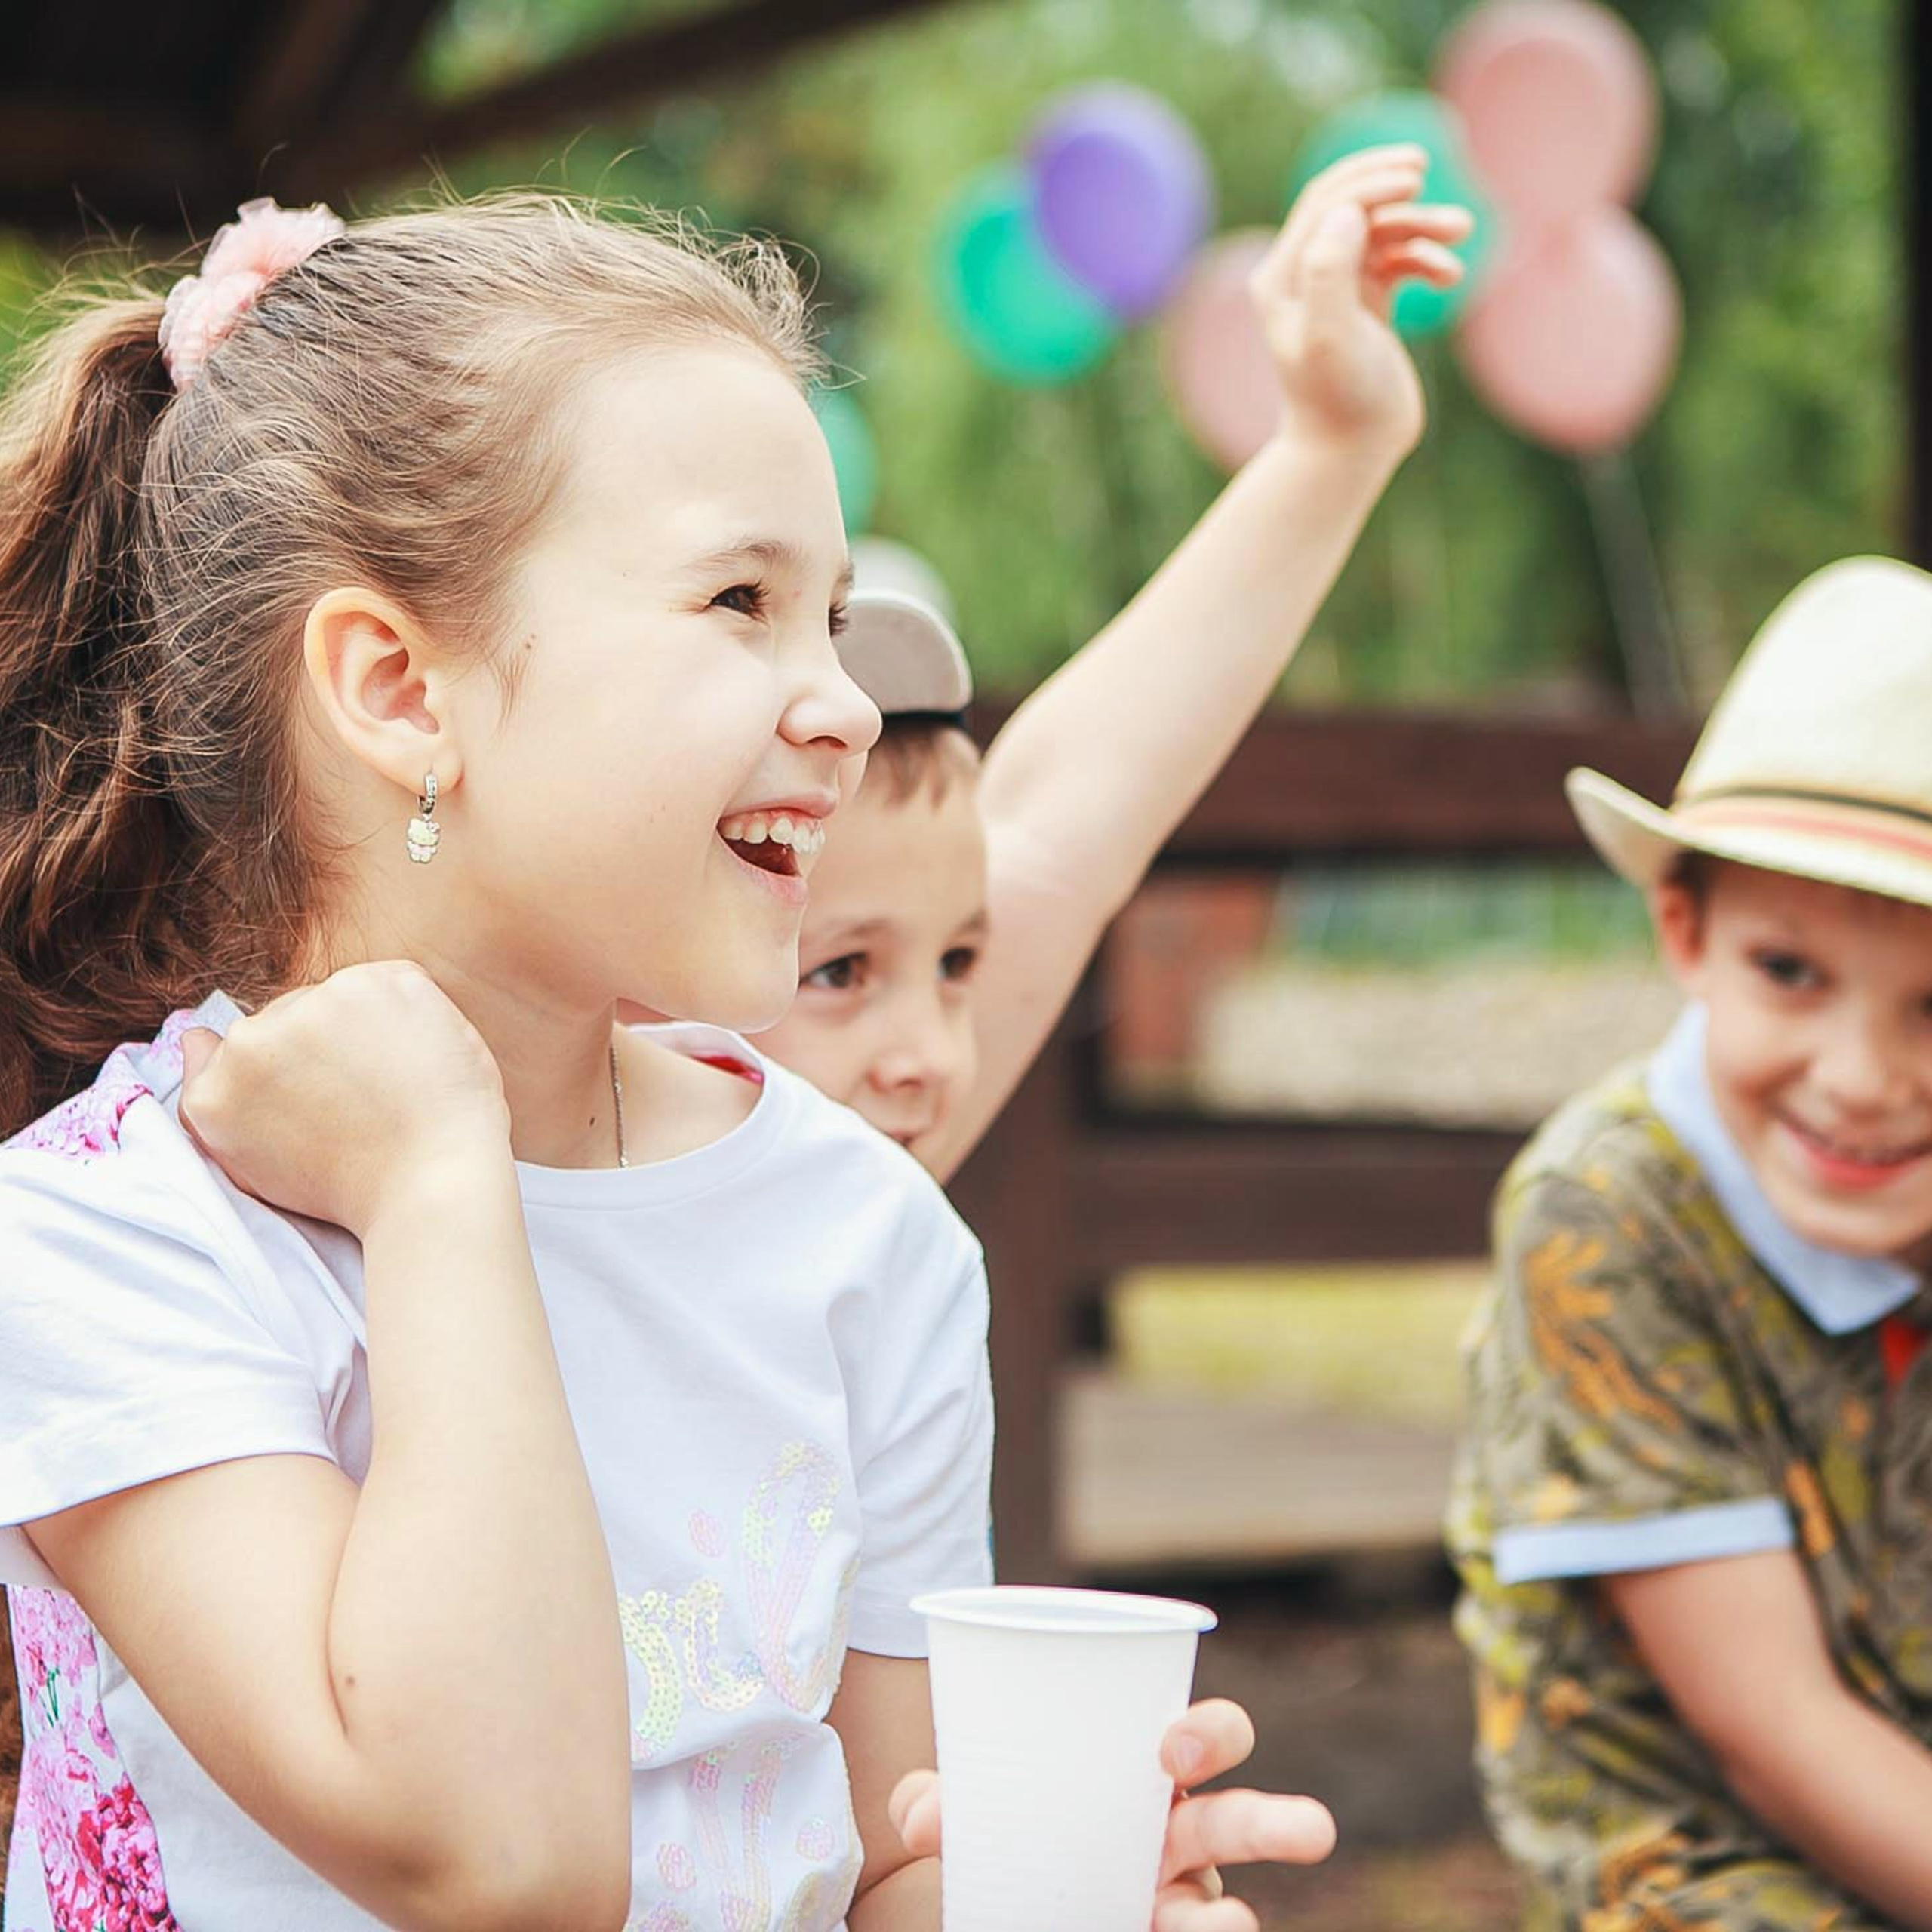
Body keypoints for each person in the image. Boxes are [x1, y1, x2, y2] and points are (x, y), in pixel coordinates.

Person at [0, 194, 1331, 1932]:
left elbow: (874, 1863)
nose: (844, 702)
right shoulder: (114, 1238)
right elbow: (501, 1857)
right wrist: (434, 1179)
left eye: (830, 616)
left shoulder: (862, 1234)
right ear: (399, 687)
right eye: (739, 600)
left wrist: (1048, 1896)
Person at [757, 145, 1472, 1179]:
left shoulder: (857, 1179)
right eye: (836, 972)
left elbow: (1069, 818)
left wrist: (1334, 446)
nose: (932, 1059)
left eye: (960, 963)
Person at [1449, 557, 1932, 1929]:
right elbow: (1770, 1725)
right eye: (1790, 973)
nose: (1862, 1079)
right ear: (1687, 932)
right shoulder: (1609, 1218)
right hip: (1707, 1870)